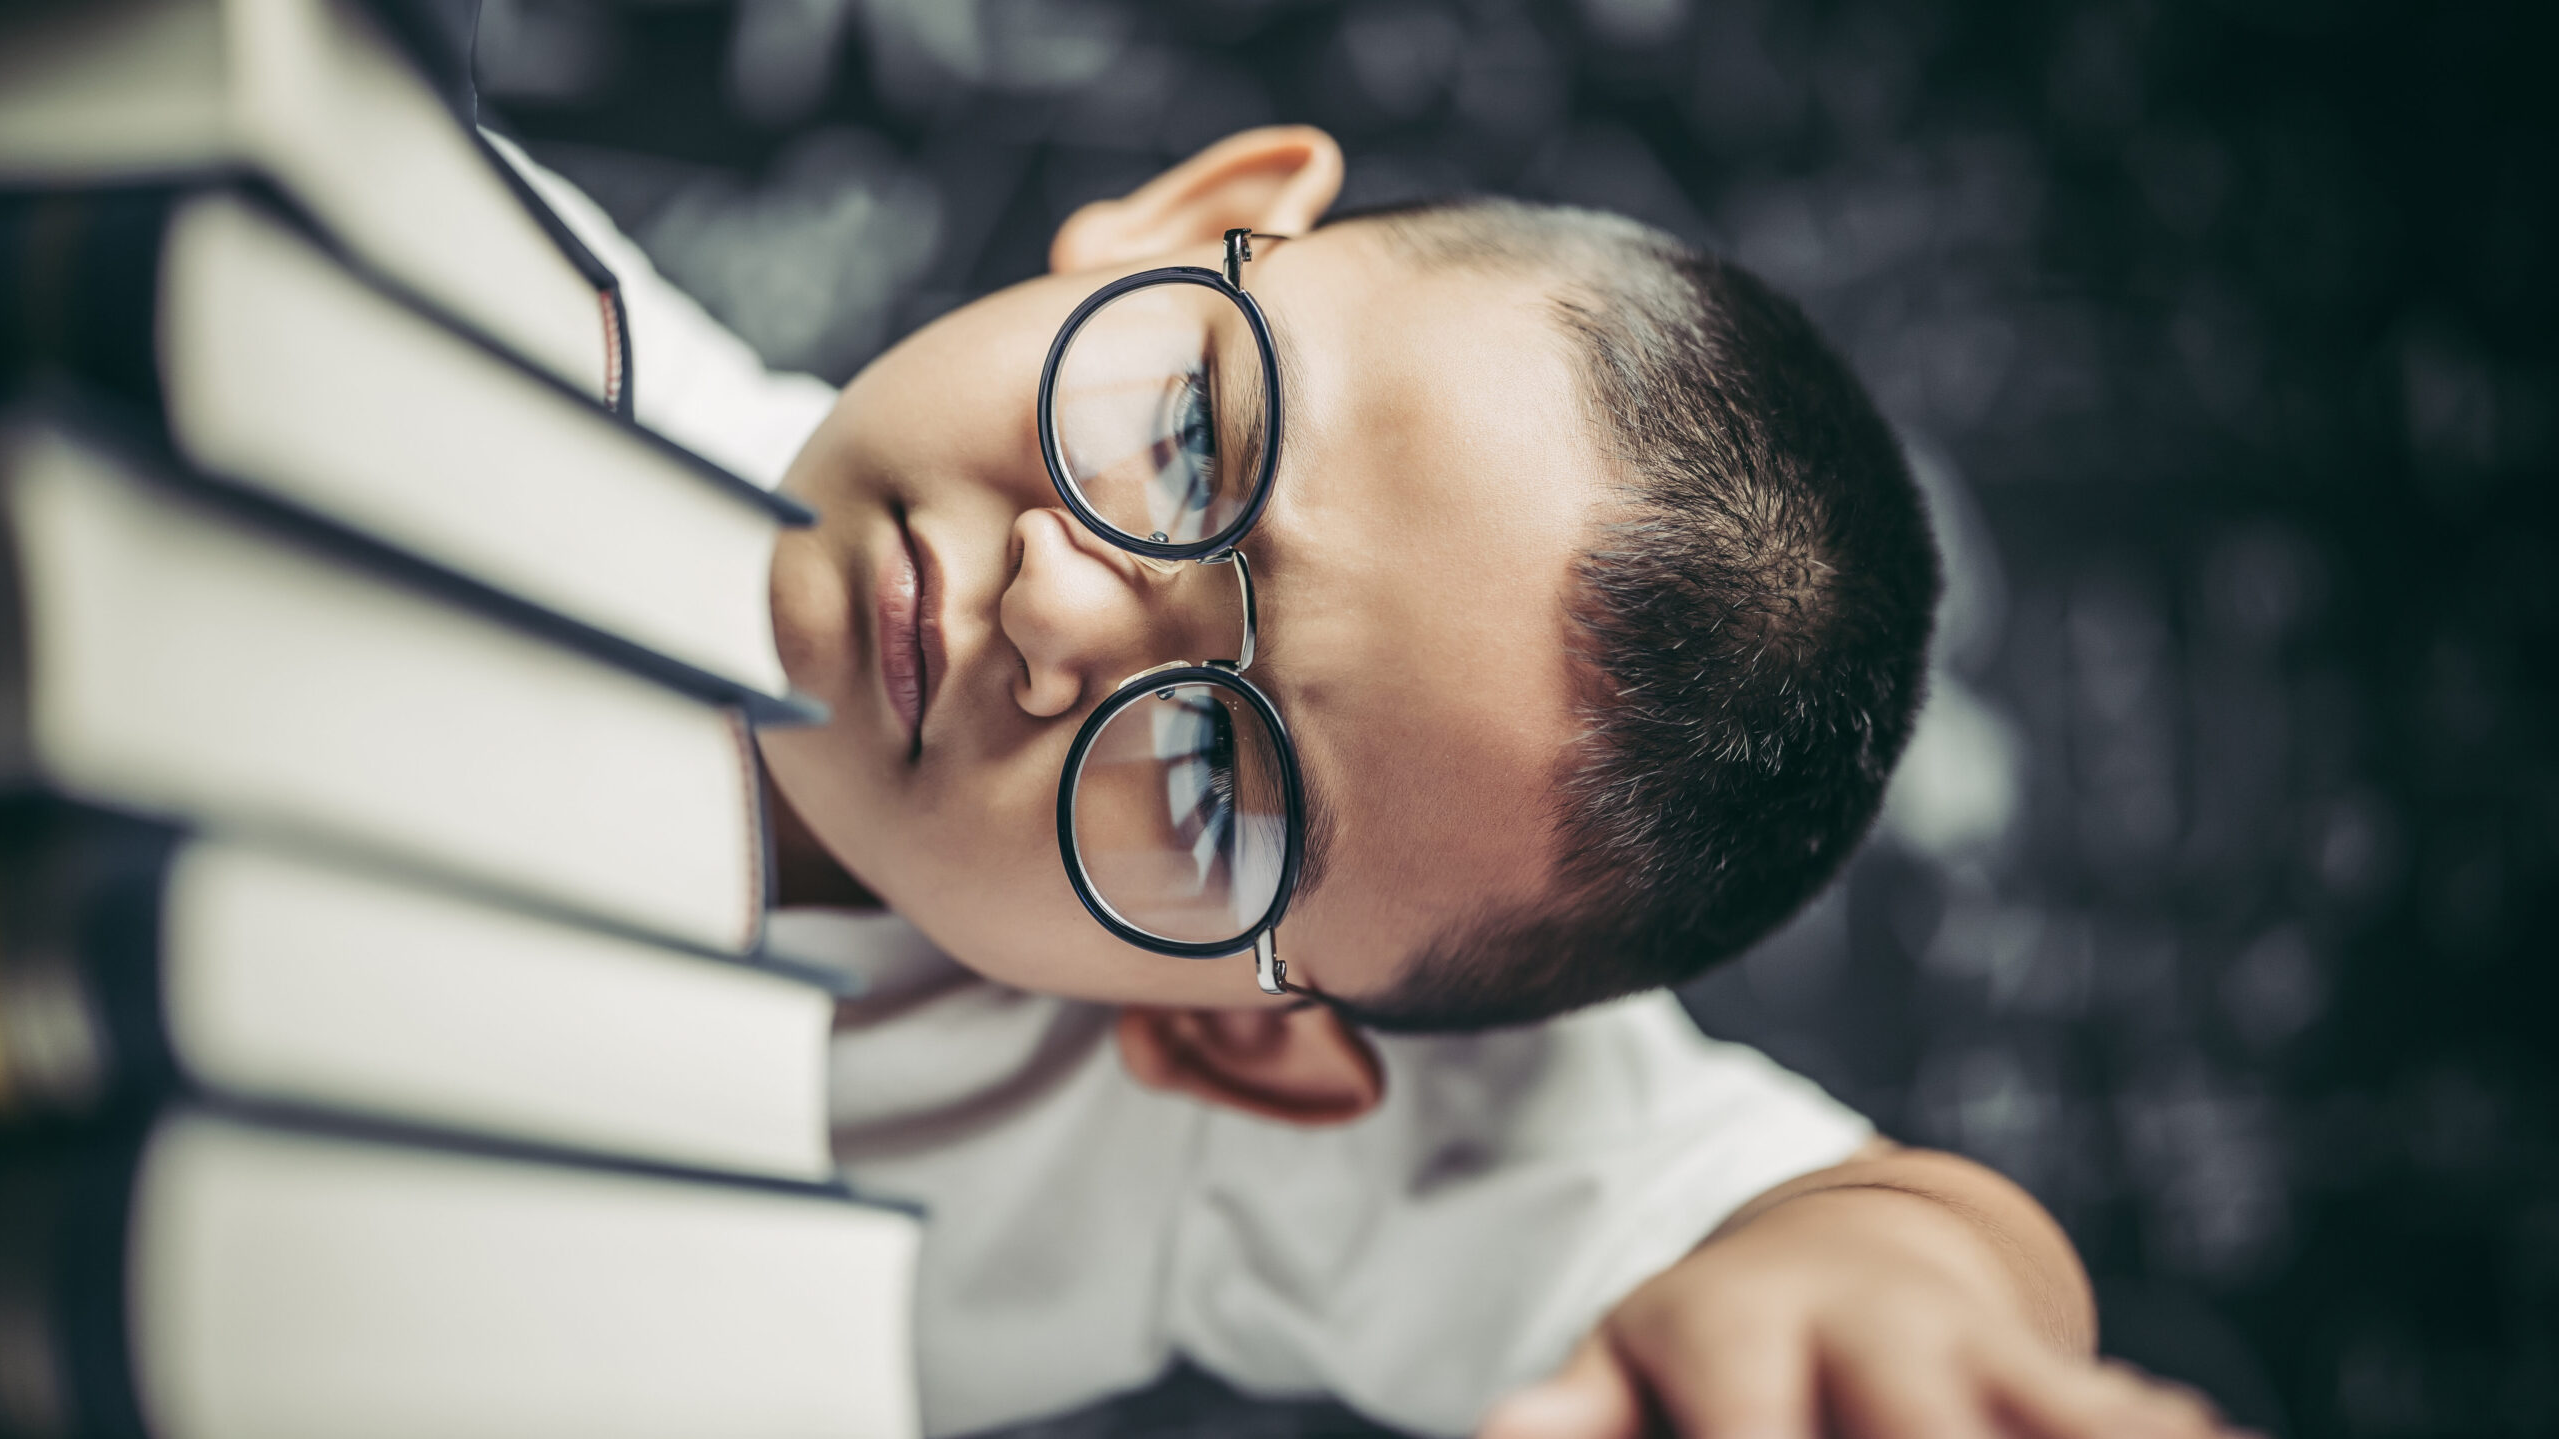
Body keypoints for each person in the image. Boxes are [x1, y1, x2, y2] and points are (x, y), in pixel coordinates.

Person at [495, 125, 2240, 1439]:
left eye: (1208, 770)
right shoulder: (442, 292)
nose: (1053, 599)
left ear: (1242, 1040)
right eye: (1188, 438)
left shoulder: (1186, 1145)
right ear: (1189, 222)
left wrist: (1881, 1318)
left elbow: (1851, 1232)